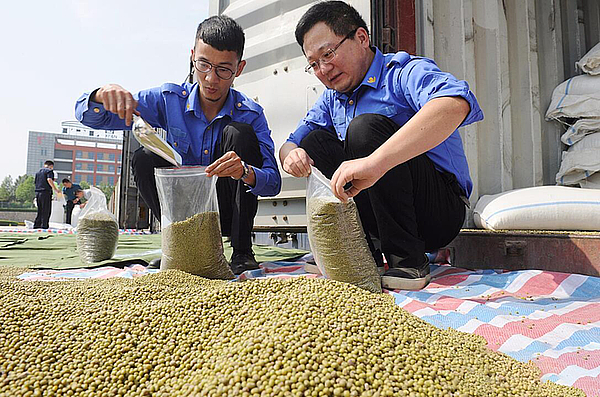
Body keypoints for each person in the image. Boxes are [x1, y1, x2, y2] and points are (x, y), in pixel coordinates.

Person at [280, 1, 483, 290]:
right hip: (378, 212)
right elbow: (291, 144)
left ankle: (408, 260)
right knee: (314, 142)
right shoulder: (331, 99)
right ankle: (364, 253)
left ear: (361, 38)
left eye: (328, 54)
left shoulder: (402, 72)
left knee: (365, 129)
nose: (323, 69)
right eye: (313, 64)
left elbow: (454, 104)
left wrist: (377, 162)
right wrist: (292, 156)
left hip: (437, 212)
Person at [75, 15, 281, 275]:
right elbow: (90, 116)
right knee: (143, 157)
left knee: (240, 134)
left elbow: (273, 182)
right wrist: (101, 95)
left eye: (223, 70)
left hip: (228, 210)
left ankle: (241, 251)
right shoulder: (168, 99)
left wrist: (245, 172)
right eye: (203, 65)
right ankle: (180, 246)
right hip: (184, 215)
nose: (210, 79)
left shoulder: (250, 113)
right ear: (193, 56)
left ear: (238, 69)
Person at [33, 160, 62, 229]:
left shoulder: (38, 172)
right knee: (46, 209)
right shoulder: (49, 171)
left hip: (38, 192)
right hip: (45, 192)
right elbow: (49, 179)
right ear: (51, 166)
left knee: (40, 210)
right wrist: (55, 189)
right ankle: (44, 225)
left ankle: (37, 225)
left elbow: (35, 182)